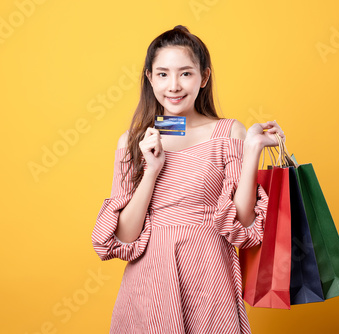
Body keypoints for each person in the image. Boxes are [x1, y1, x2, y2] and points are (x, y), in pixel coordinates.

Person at [91, 25, 285, 334]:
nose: (174, 86)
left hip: (208, 273)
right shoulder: (133, 141)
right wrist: (152, 170)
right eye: (163, 74)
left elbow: (245, 223)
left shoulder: (228, 132)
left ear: (204, 77)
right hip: (149, 279)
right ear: (149, 78)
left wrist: (252, 151)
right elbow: (125, 238)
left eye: (185, 73)